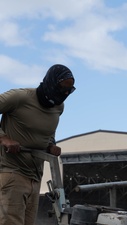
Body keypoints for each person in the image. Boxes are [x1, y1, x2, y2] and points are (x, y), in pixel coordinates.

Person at [0, 64, 75, 225]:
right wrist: (4, 138)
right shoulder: (19, 97)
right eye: (63, 88)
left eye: (70, 90)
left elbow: (49, 132)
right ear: (51, 83)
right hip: (11, 172)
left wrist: (51, 145)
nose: (65, 93)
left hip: (35, 177)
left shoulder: (58, 107)